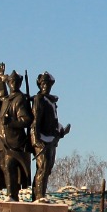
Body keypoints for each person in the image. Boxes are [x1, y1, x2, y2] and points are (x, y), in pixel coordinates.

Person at [30, 71, 71, 202]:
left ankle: (40, 195)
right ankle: (38, 196)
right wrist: (36, 140)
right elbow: (35, 121)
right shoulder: (39, 99)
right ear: (39, 85)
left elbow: (53, 122)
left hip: (52, 140)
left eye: (48, 84)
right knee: (42, 167)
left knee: (47, 169)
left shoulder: (51, 101)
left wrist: (61, 131)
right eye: (43, 84)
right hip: (41, 139)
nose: (45, 86)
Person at [0, 68, 33, 201]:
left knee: (10, 165)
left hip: (14, 142)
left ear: (19, 83)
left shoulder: (20, 99)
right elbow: (1, 95)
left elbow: (26, 120)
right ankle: (11, 194)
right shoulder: (7, 99)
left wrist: (11, 121)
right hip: (2, 141)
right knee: (4, 167)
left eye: (16, 82)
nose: (13, 84)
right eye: (11, 82)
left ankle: (12, 195)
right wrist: (0, 79)